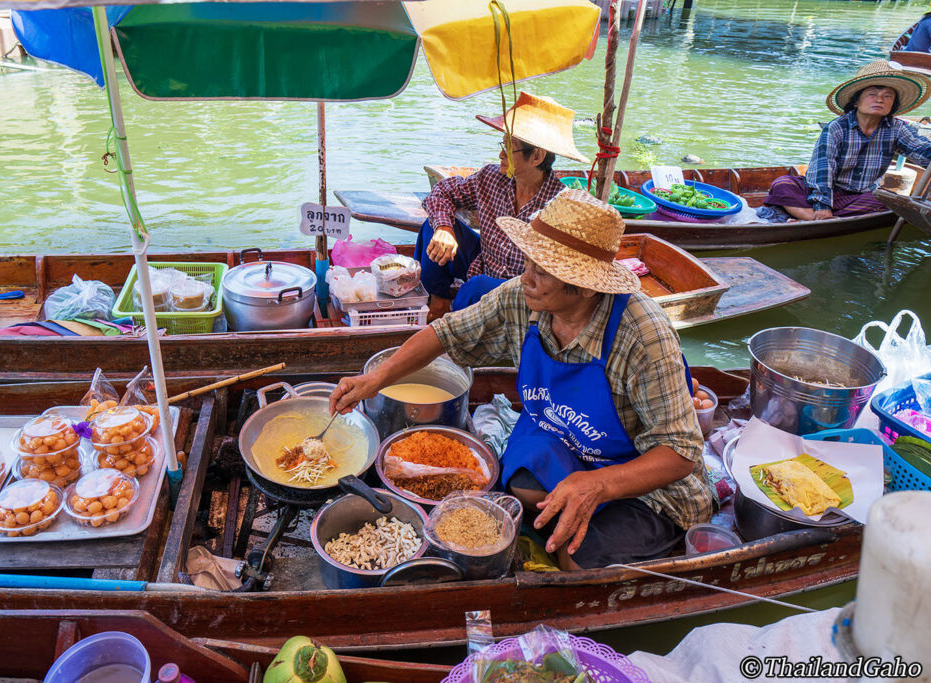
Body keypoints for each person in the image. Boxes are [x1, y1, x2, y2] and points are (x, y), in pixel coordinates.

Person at [333, 190, 715, 570]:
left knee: (574, 556)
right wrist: (374, 379)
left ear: (582, 285)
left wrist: (597, 486)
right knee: (515, 488)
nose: (526, 277)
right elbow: (445, 334)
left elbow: (680, 452)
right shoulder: (524, 296)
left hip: (646, 483)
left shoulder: (643, 335)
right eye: (528, 262)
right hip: (569, 441)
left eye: (542, 270)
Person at [416, 92, 588, 317]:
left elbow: (552, 282)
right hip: (484, 265)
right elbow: (441, 192)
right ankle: (438, 301)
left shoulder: (560, 207)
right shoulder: (491, 178)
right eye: (502, 144)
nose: (500, 154)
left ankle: (453, 325)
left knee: (477, 287)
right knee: (433, 227)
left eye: (508, 147)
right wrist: (444, 228)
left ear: (536, 156)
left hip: (520, 293)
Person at [762, 60, 931, 221]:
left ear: (892, 105)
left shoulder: (897, 129)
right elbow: (823, 168)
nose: (880, 100)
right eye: (872, 94)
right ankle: (818, 218)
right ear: (856, 101)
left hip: (863, 196)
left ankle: (807, 218)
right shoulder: (836, 128)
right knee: (783, 183)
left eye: (887, 97)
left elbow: (921, 151)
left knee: (884, 202)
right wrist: (822, 205)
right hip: (828, 190)